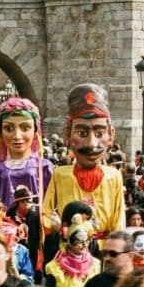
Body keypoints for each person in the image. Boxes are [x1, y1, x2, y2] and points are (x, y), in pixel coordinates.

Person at [42, 84, 125, 238]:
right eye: (82, 133)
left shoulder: (114, 177)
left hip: (103, 251)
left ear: (111, 135)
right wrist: (60, 228)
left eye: (100, 133)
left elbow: (118, 222)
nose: (91, 144)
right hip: (69, 251)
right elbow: (46, 216)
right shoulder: (60, 175)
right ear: (67, 134)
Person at [0, 97, 53, 212]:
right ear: (0, 133)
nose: (17, 136)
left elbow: (52, 203)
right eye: (8, 128)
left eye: (25, 128)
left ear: (35, 131)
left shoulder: (44, 166)